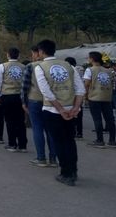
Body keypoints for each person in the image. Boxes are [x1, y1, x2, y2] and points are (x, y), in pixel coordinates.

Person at [35, 39, 85, 186]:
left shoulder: (40, 67)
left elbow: (46, 92)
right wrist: (76, 108)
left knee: (58, 142)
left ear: (41, 52)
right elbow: (80, 89)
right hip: (71, 109)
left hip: (53, 110)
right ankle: (73, 170)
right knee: (70, 140)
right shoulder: (69, 66)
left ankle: (66, 173)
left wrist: (60, 109)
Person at [22, 46, 56, 166]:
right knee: (50, 130)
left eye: (32, 54)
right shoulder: (54, 65)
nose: (32, 56)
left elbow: (25, 87)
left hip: (35, 100)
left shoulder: (31, 66)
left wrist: (24, 102)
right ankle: (53, 159)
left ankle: (41, 158)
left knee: (37, 129)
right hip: (52, 101)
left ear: (38, 53)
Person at [0, 47, 27, 152]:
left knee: (9, 120)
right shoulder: (24, 67)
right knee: (20, 120)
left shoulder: (2, 66)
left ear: (8, 55)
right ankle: (22, 145)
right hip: (20, 96)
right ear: (18, 55)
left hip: (7, 95)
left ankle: (12, 143)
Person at [84, 51, 116, 148]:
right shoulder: (109, 70)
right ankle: (112, 141)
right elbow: (113, 83)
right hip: (107, 98)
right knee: (110, 119)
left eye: (89, 58)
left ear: (92, 59)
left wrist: (85, 96)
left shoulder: (89, 70)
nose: (88, 59)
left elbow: (86, 84)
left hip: (94, 97)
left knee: (97, 119)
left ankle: (100, 140)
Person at [66, 57, 85, 140]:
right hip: (80, 94)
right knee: (79, 114)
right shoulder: (81, 69)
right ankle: (79, 132)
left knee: (72, 114)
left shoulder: (69, 70)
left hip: (72, 94)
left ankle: (73, 131)